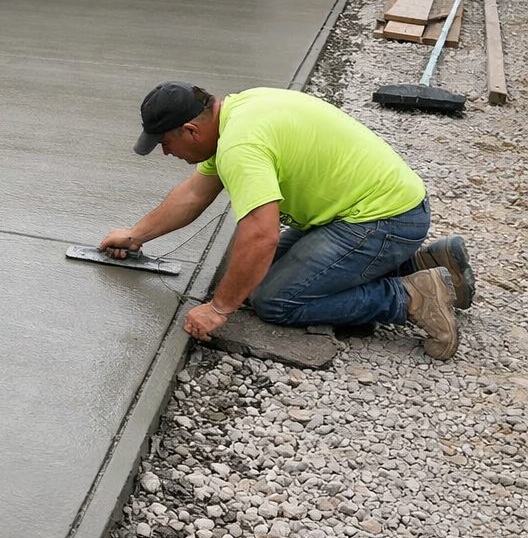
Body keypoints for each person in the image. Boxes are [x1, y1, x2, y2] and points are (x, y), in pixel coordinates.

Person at [101, 81, 475, 360]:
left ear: (191, 131)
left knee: (274, 300)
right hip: (378, 211)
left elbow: (260, 235)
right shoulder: (240, 112)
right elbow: (194, 194)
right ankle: (422, 263)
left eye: (166, 144)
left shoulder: (240, 146)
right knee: (252, 278)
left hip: (381, 221)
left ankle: (410, 297)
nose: (166, 153)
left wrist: (218, 309)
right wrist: (136, 236)